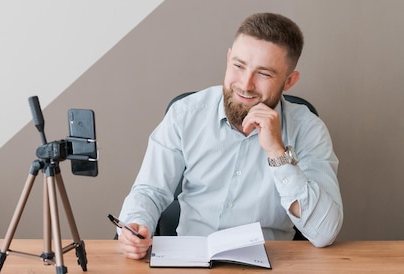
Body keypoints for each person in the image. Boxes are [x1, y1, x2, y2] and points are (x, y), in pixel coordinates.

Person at [117, 12, 343, 259]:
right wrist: (137, 224)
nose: (246, 84)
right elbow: (150, 190)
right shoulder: (185, 113)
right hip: (189, 260)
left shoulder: (309, 129)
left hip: (269, 263)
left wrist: (278, 153)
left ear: (289, 81)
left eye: (264, 74)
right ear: (228, 58)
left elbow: (324, 233)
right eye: (238, 66)